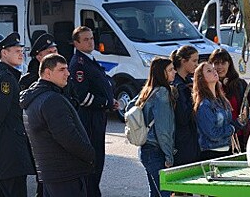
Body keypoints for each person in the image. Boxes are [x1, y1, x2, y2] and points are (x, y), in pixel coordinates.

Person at [20, 53, 95, 197]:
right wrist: (90, 154)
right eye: (62, 69)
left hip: (52, 177)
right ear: (47, 73)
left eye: (67, 69)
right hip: (66, 177)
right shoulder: (52, 100)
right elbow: (68, 137)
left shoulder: (35, 98)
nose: (68, 73)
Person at [0, 32, 35, 197]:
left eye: (22, 50)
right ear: (4, 53)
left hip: (3, 152)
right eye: (16, 50)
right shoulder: (5, 79)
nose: (21, 53)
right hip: (9, 152)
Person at [69, 26, 119, 197]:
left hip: (98, 116)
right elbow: (83, 97)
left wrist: (110, 101)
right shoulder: (79, 64)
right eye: (86, 39)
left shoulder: (90, 60)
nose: (91, 42)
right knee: (92, 163)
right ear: (76, 43)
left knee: (98, 162)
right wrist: (105, 102)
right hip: (89, 119)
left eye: (91, 38)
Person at [127, 57, 176, 197]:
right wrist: (169, 156)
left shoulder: (148, 89)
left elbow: (130, 106)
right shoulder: (162, 94)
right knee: (164, 193)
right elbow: (163, 130)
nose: (174, 72)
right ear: (162, 73)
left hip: (145, 149)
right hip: (156, 151)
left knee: (154, 192)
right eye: (170, 70)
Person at [193, 62, 246, 160]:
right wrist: (233, 128)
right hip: (211, 153)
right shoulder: (204, 104)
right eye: (209, 71)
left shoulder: (222, 100)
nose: (214, 71)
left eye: (213, 69)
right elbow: (212, 134)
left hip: (227, 150)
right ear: (202, 78)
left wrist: (240, 121)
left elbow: (227, 123)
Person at [209, 48, 250, 150]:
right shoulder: (209, 86)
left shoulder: (239, 84)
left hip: (241, 135)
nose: (220, 67)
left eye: (223, 63)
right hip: (221, 138)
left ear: (229, 64)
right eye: (216, 63)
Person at [170, 45, 201, 165]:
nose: (196, 64)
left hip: (191, 138)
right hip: (182, 140)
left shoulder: (187, 82)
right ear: (183, 61)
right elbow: (183, 117)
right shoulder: (177, 86)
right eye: (194, 61)